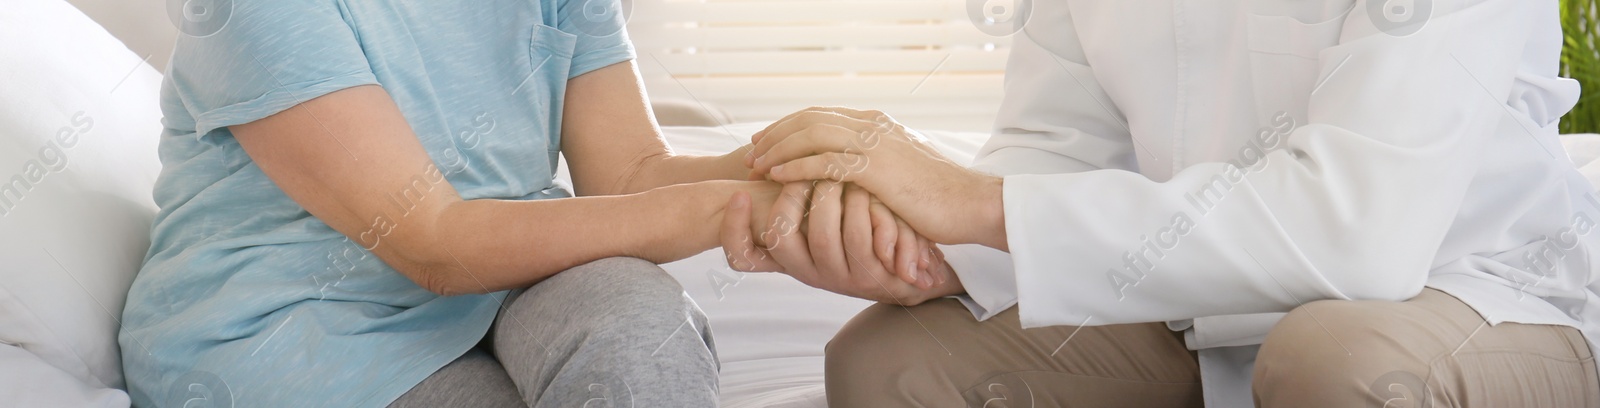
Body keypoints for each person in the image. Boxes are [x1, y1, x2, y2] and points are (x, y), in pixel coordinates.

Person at [724, 0, 1600, 406]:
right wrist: (921, 247)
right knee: (894, 363)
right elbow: (1052, 154)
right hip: (1192, 304)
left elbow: (1362, 235)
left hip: (1467, 291)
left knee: (1337, 366)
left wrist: (972, 201)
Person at [116, 0, 934, 406]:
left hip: (507, 270)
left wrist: (791, 170)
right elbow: (433, 242)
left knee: (639, 329)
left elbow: (631, 177)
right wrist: (731, 211)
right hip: (302, 325)